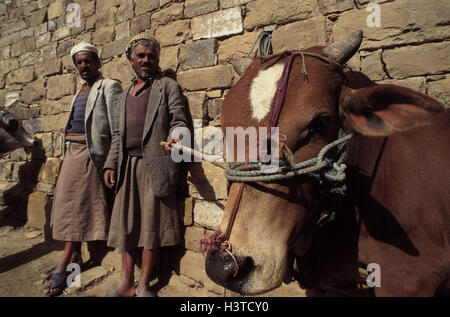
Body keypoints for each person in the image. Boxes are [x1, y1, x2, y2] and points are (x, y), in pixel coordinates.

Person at [103, 33, 190, 297]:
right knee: (126, 226)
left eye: (151, 56)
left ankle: (143, 285)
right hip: (127, 166)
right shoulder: (123, 95)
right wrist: (110, 163)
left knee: (151, 226)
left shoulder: (167, 87)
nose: (146, 60)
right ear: (131, 59)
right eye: (141, 55)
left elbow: (179, 119)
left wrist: (177, 136)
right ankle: (125, 282)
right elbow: (117, 135)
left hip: (155, 164)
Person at [42, 43, 122, 296]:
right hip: (71, 153)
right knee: (66, 205)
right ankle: (74, 254)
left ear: (98, 62)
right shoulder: (80, 92)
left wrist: (111, 162)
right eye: (79, 63)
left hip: (90, 156)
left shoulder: (108, 86)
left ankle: (67, 261)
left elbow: (117, 128)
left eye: (88, 61)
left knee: (77, 207)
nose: (83, 66)